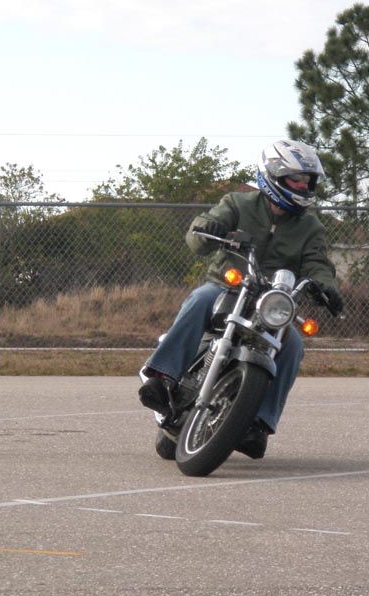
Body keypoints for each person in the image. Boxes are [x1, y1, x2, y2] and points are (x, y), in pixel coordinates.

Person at [138, 139, 344, 460]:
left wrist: (326, 286)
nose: (304, 185)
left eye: (308, 180)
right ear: (273, 175)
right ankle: (162, 377)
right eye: (297, 178)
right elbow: (199, 234)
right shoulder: (237, 203)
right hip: (228, 286)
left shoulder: (310, 226)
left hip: (272, 302)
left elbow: (318, 263)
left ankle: (259, 424)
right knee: (201, 298)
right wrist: (207, 229)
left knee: (293, 344)